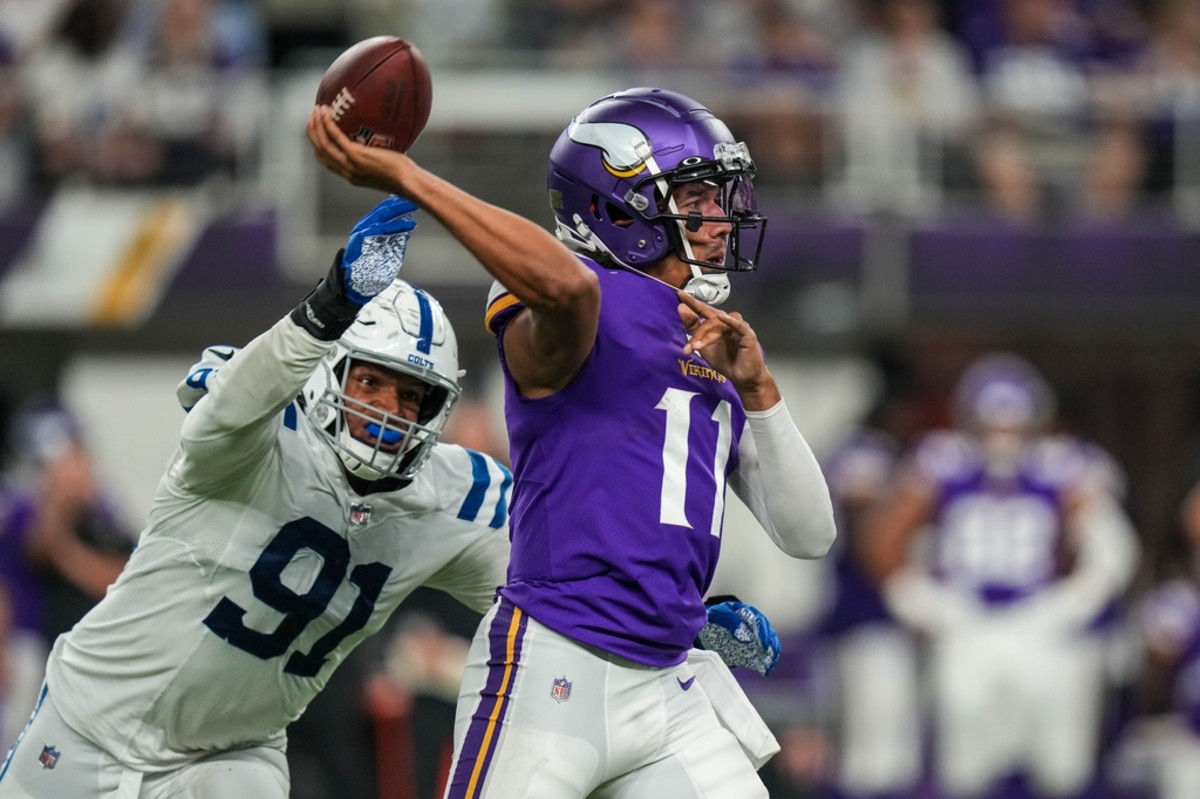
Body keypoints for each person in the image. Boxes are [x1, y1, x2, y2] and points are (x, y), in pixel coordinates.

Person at [307, 85, 837, 797]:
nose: (722, 220)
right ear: (619, 208)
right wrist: (411, 177)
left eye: (723, 198)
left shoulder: (714, 342)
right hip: (556, 665)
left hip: (668, 683)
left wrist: (760, 389)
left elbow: (810, 532)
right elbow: (567, 291)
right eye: (698, 199)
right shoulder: (575, 298)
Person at [0, 197, 516, 798]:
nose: (389, 413)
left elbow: (556, 582)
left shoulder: (452, 496)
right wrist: (330, 305)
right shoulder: (259, 435)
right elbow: (238, 397)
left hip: (231, 752)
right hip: (93, 721)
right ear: (328, 371)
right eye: (371, 383)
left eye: (412, 398)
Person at [863, 351, 1140, 799]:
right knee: (965, 762)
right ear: (967, 421)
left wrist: (1071, 603)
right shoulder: (944, 462)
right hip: (968, 624)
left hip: (1038, 626)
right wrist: (920, 600)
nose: (1002, 436)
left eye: (1013, 425)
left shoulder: (1059, 466)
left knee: (1060, 764)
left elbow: (1113, 547)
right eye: (990, 425)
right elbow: (881, 539)